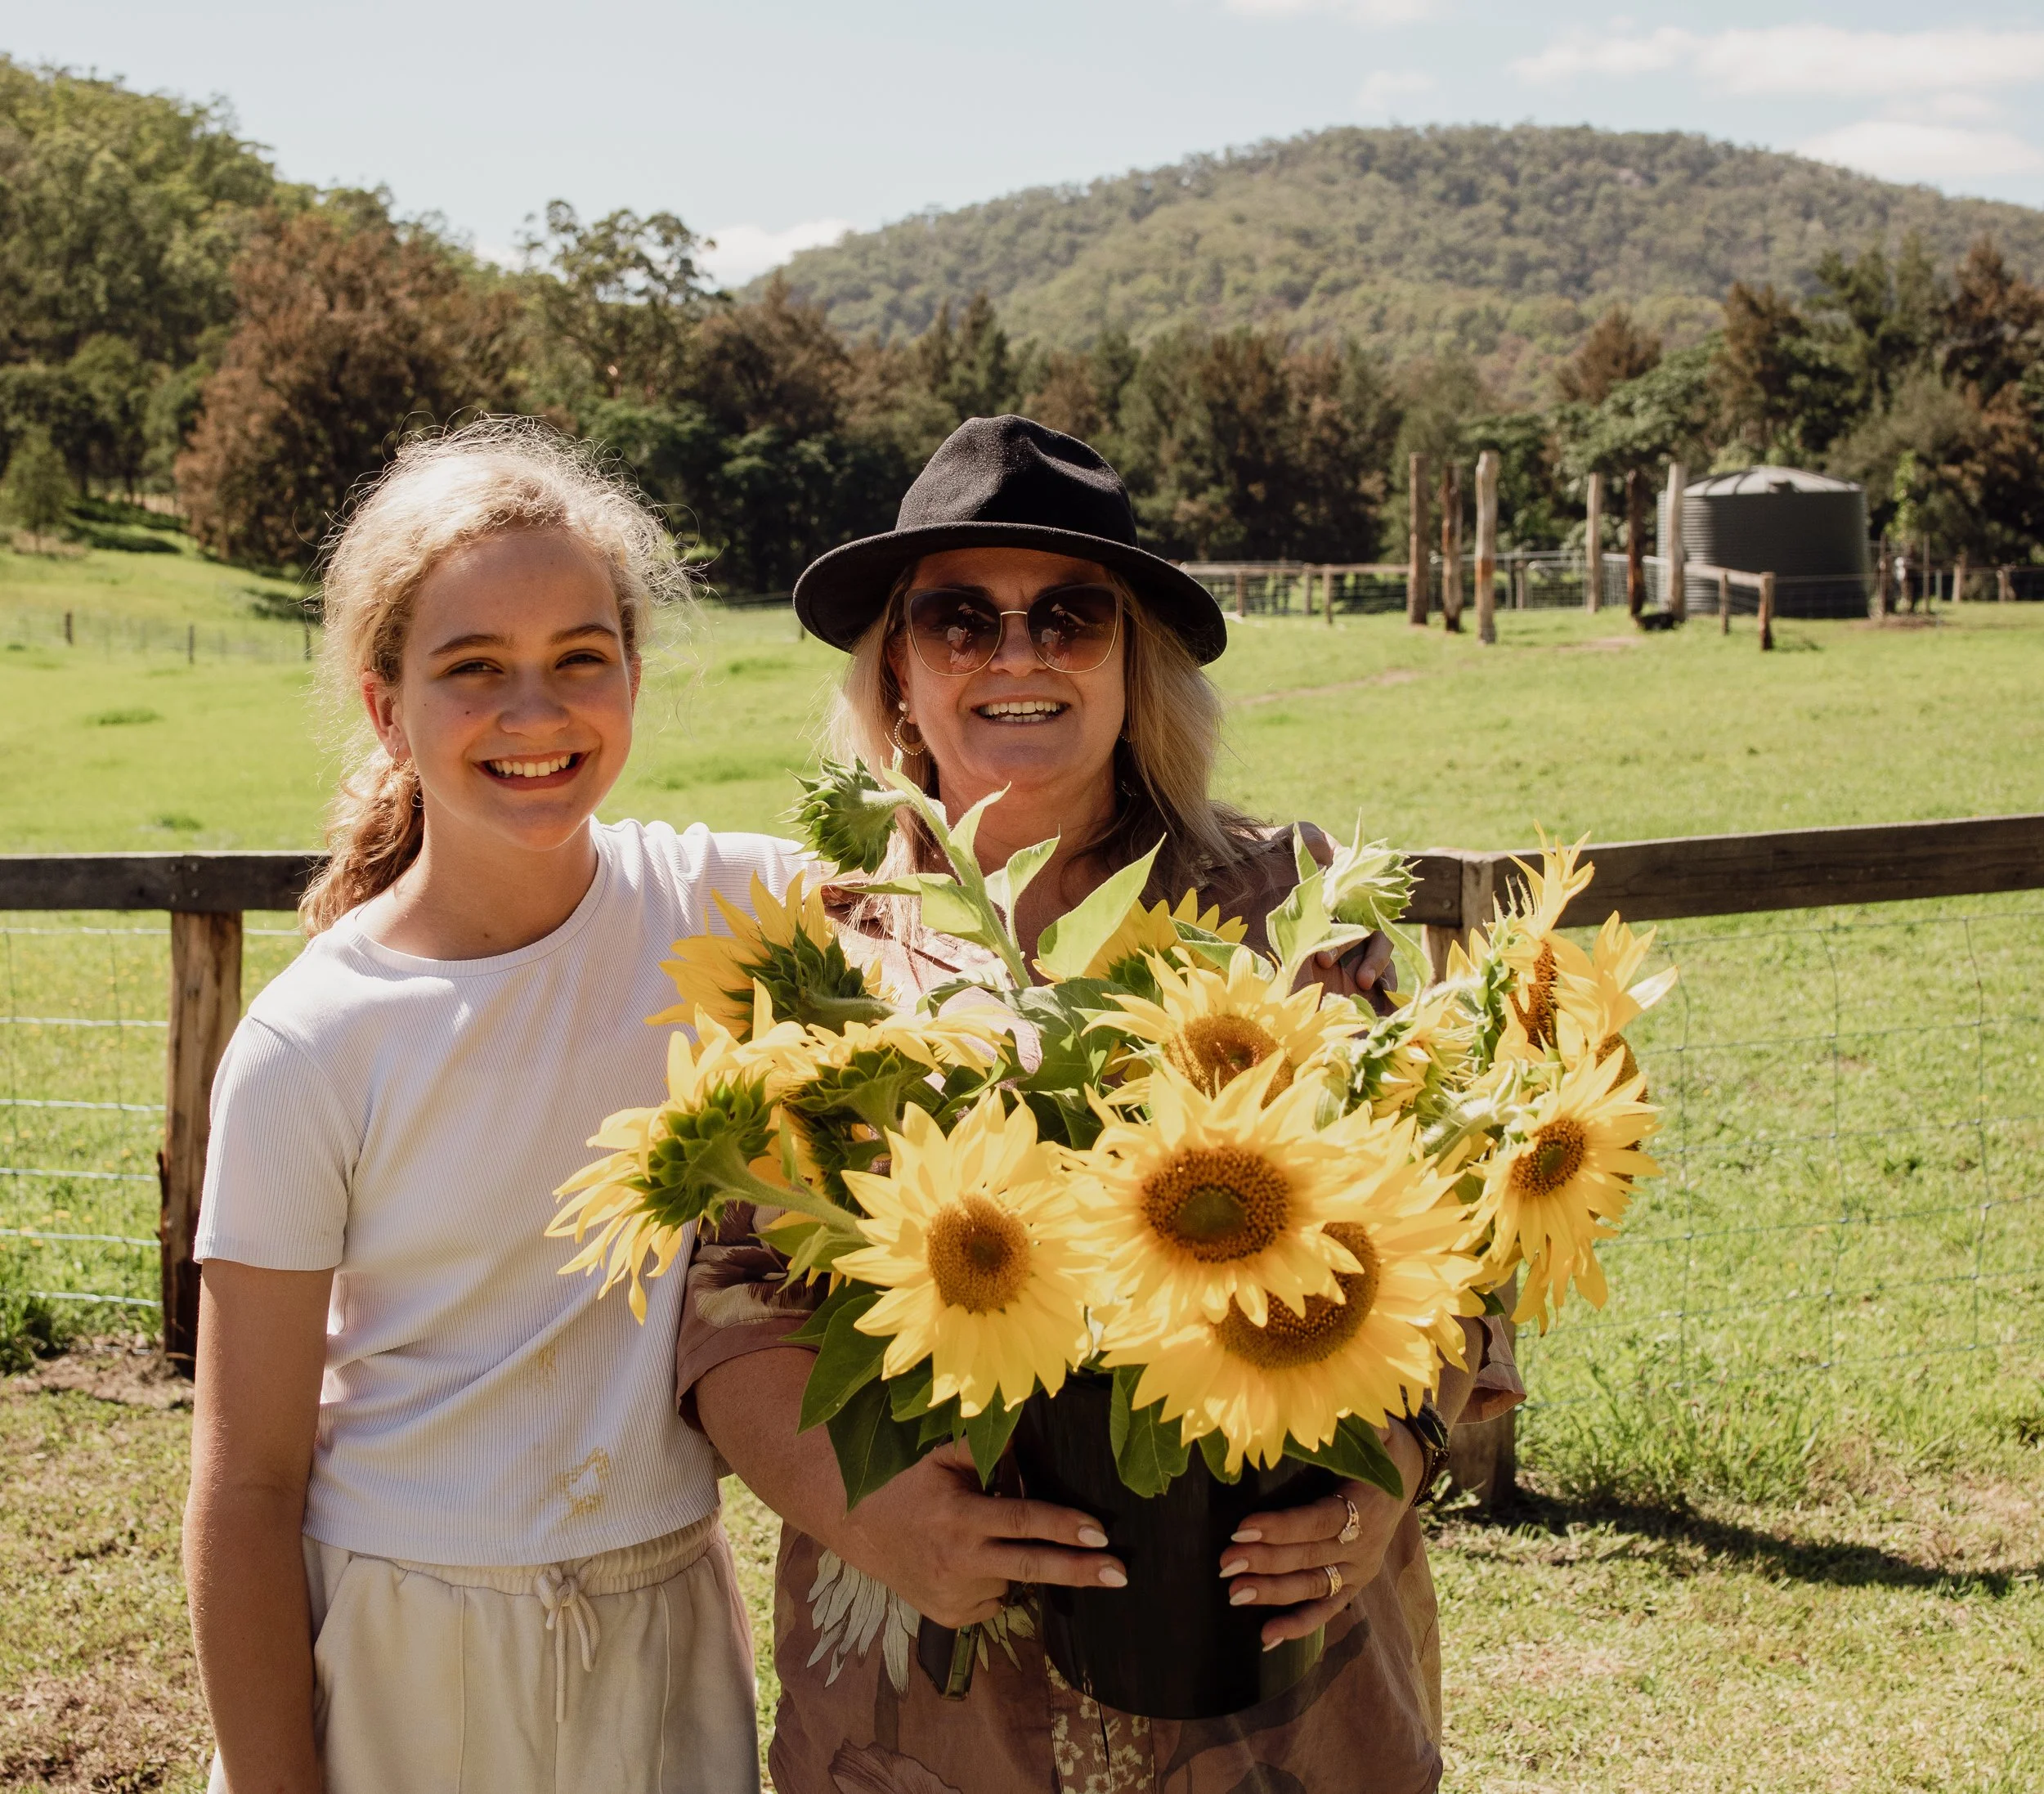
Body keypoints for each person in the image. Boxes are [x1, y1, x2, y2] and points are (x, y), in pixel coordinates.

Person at [680, 415, 1524, 1793]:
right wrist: (882, 1522)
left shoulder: (1283, 905)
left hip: (1277, 1695)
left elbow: (1450, 1239)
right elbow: (728, 1306)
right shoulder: (821, 952)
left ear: (1135, 659)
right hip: (937, 1699)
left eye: (1070, 614)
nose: (1017, 655)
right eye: (961, 618)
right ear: (896, 665)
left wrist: (1381, 1479)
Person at [182, 421, 793, 1794]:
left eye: (582, 657)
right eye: (474, 670)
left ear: (633, 674)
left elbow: (978, 899)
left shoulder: (728, 909)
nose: (538, 713)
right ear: (388, 706)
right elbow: (247, 1487)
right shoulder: (314, 1041)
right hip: (411, 1646)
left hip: (669, 1624)